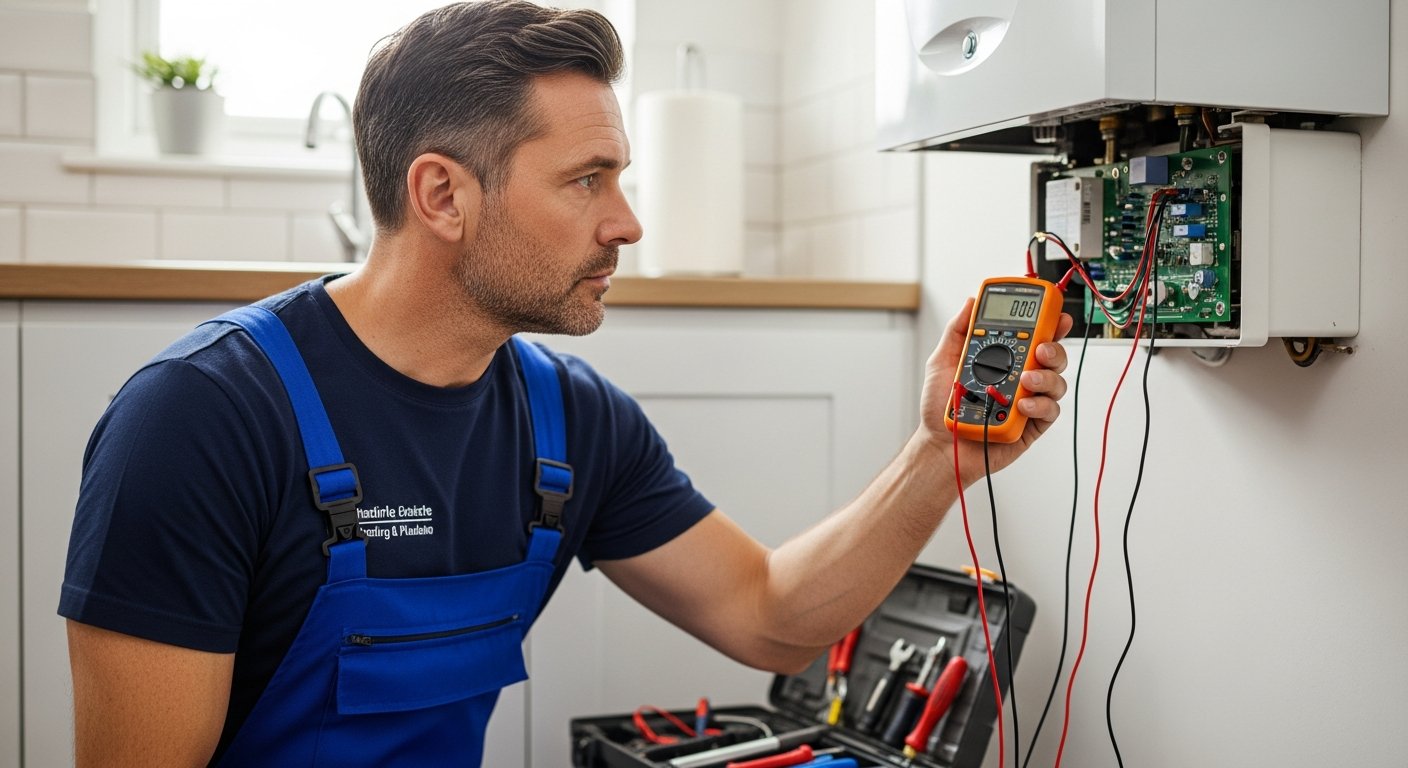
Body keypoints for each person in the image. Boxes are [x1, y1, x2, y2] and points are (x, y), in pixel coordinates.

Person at [60, 1, 1071, 766]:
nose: (626, 222)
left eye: (620, 178)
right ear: (443, 195)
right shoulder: (199, 418)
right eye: (587, 179)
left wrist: (940, 455)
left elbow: (770, 616)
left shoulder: (568, 419)